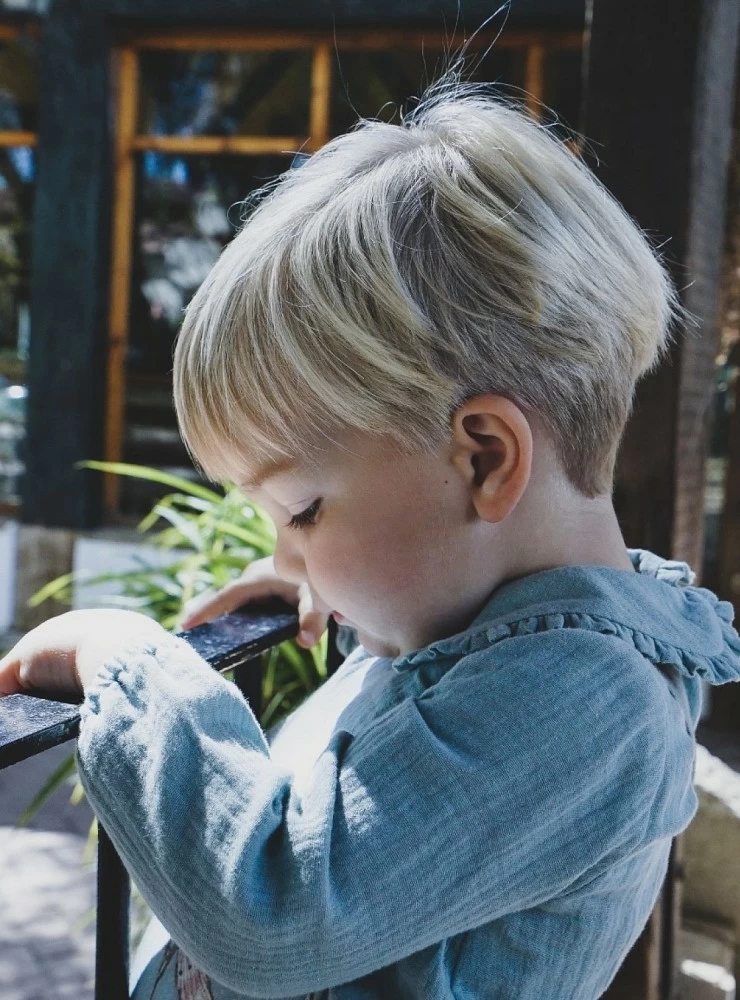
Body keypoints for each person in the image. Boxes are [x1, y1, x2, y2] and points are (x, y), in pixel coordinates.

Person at [2, 75, 740, 1000]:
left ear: (482, 460)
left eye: (303, 511)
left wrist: (132, 664)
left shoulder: (592, 705)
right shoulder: (498, 637)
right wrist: (346, 586)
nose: (284, 557)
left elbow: (279, 905)